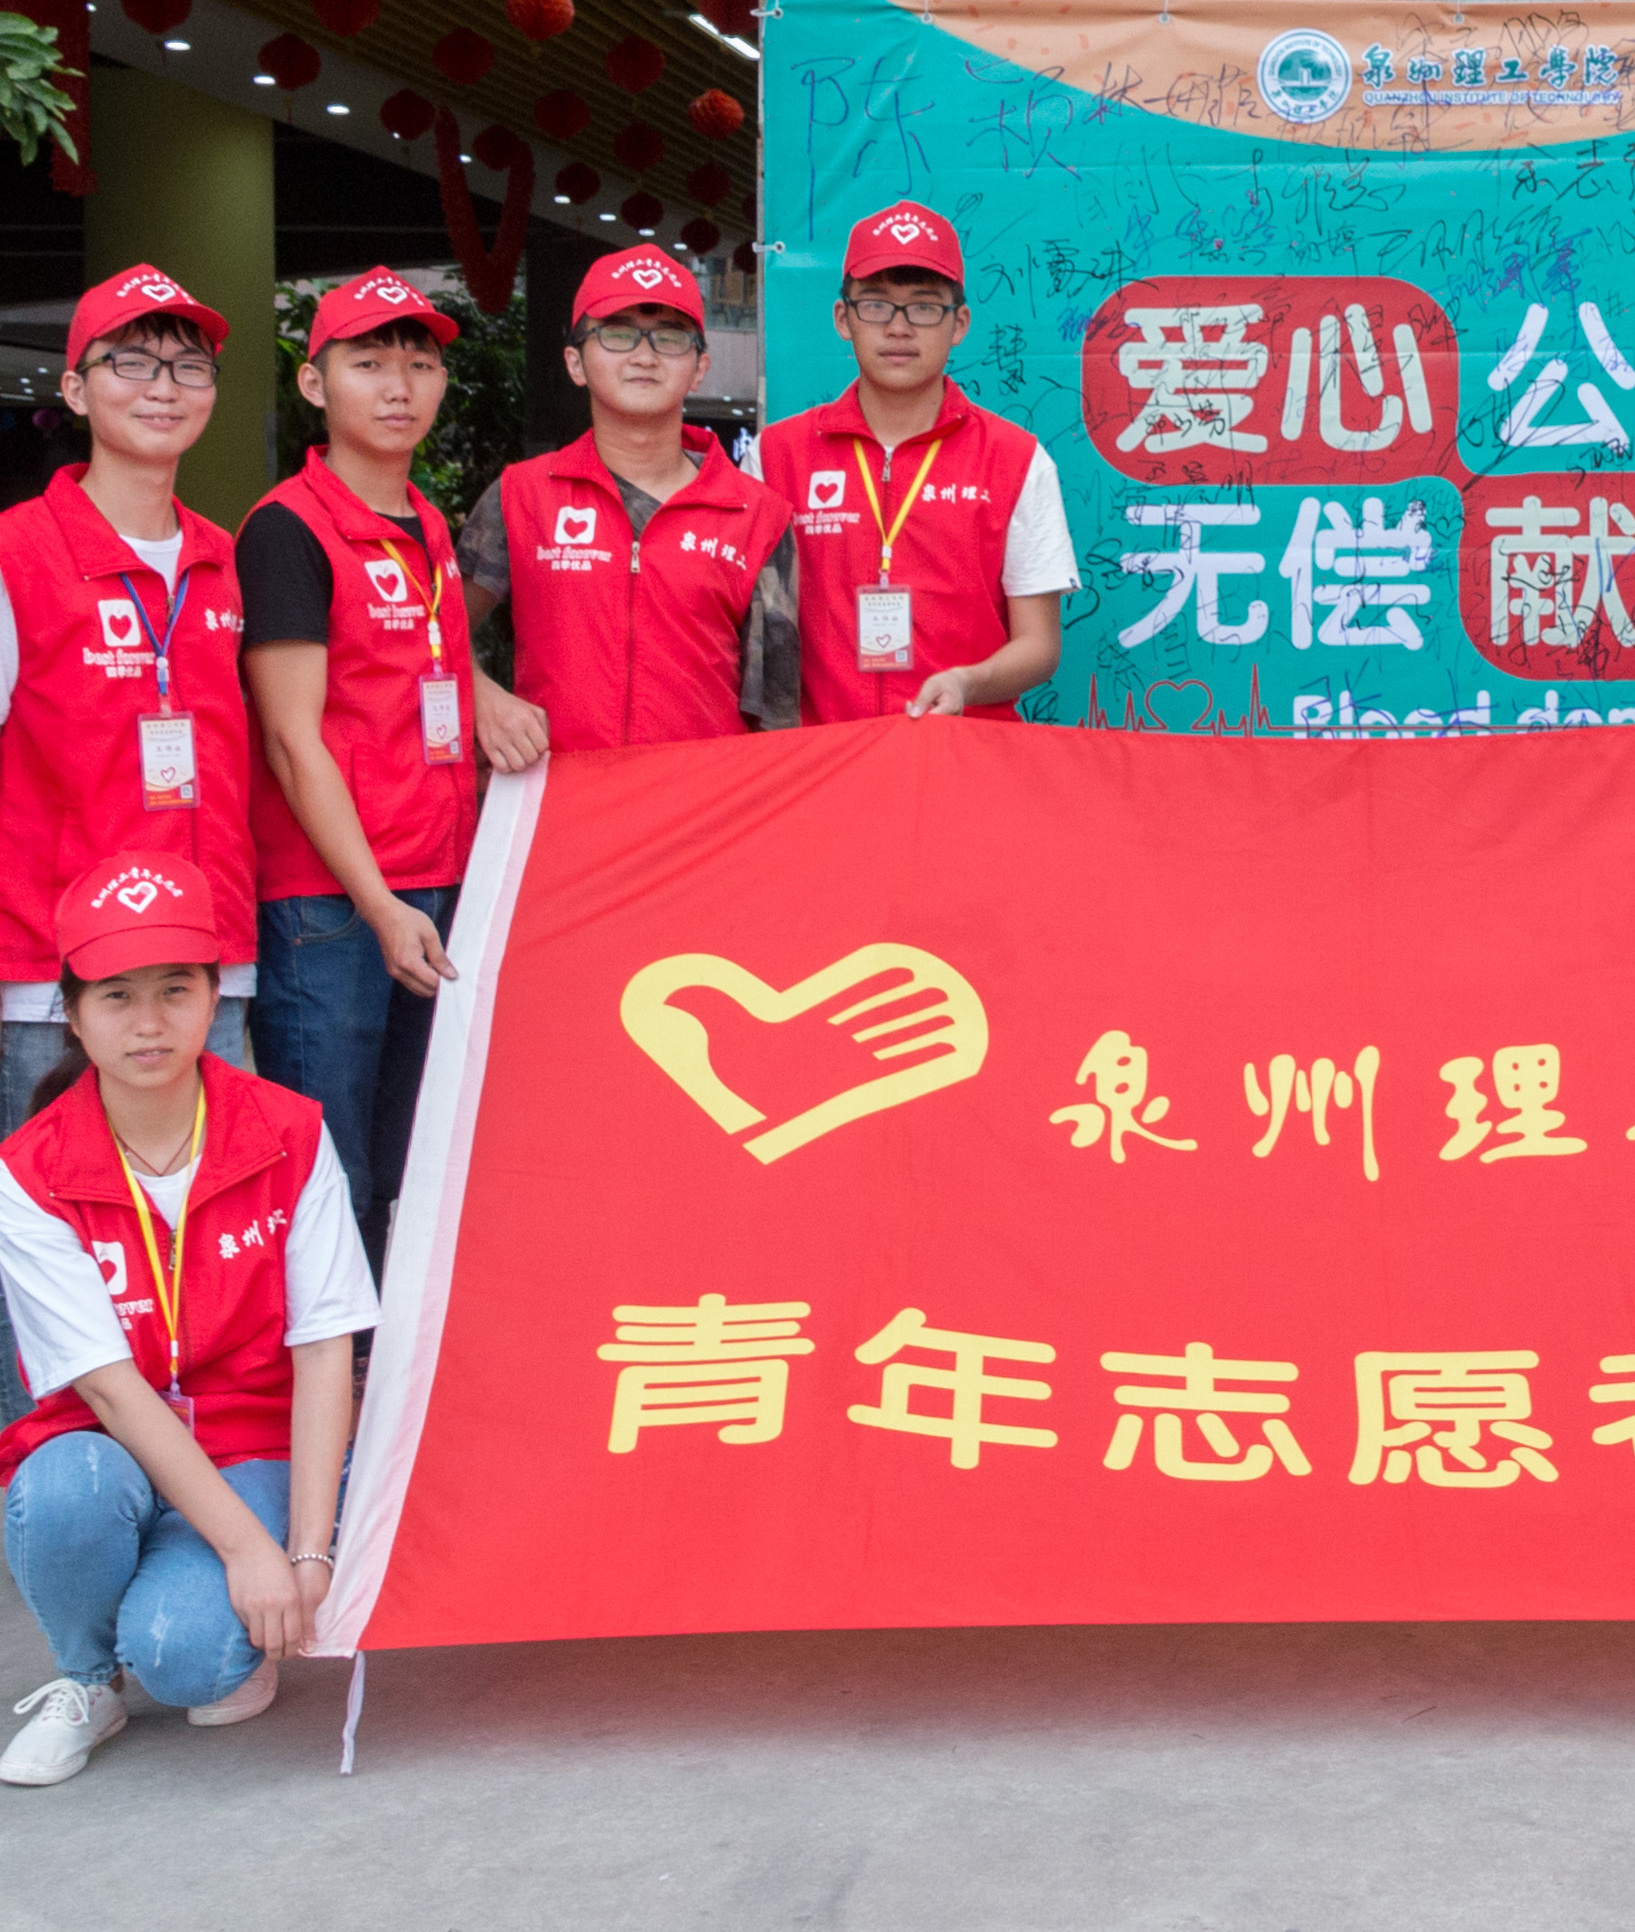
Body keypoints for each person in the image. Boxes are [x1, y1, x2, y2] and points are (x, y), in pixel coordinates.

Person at [0, 265, 264, 1429]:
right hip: (55, 972)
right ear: (76, 389)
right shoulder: (2, 560)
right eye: (131, 362)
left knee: (208, 1230)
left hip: (212, 959)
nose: (162, 387)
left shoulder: (225, 558)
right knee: (51, 1239)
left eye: (186, 365)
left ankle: (196, 1468)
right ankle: (48, 1472)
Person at [0, 852, 375, 1787]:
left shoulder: (289, 1131)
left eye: (175, 989)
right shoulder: (27, 1173)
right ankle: (86, 1678)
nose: (149, 1022)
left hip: (253, 1445)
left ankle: (191, 1603)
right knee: (66, 1490)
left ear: (213, 996)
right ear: (71, 1011)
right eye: (116, 995)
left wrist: (305, 1549)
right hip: (105, 1447)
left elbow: (325, 1349)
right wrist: (244, 1552)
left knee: (187, 1660)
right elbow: (111, 1392)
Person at [243, 265, 524, 1265]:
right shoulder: (287, 529)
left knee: (410, 1165)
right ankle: (335, 1368)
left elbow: (421, 666)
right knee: (333, 1180)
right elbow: (292, 738)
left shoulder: (426, 521)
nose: (399, 385)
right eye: (368, 363)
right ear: (314, 383)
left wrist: (486, 693)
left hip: (432, 881)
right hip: (334, 907)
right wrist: (376, 903)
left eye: (419, 363)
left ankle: (387, 1363)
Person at [459, 241, 800, 747]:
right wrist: (481, 695)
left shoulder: (758, 515)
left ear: (699, 367)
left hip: (705, 792)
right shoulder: (520, 496)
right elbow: (436, 631)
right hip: (562, 786)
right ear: (575, 363)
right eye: (617, 335)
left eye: (670, 337)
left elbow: (778, 710)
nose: (644, 356)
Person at [757, 202, 1075, 723]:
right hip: (825, 753)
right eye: (876, 305)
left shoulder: (1017, 459)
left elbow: (1039, 645)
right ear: (842, 318)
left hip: (965, 753)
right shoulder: (774, 455)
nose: (899, 328)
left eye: (924, 307)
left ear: (959, 324)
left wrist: (967, 683)